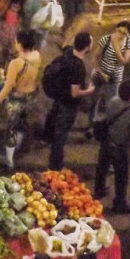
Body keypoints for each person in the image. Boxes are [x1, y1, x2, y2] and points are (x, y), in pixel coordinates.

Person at [0, 29, 41, 167]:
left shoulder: (16, 63)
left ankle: (9, 160)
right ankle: (19, 145)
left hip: (17, 99)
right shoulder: (37, 56)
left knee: (11, 128)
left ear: (19, 44)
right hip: (31, 96)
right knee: (22, 122)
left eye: (16, 41)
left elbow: (8, 86)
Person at [44, 32, 95, 171]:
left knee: (55, 124)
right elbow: (75, 93)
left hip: (59, 97)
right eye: (91, 42)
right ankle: (55, 166)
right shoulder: (78, 67)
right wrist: (89, 91)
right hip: (68, 104)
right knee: (60, 135)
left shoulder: (67, 53)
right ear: (86, 47)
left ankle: (47, 138)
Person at [93, 78, 130, 214]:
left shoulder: (113, 101)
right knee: (121, 177)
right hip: (121, 148)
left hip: (107, 142)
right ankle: (119, 204)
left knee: (102, 167)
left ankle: (99, 190)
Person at [90, 21, 130, 129]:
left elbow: (123, 62)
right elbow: (94, 58)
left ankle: (105, 126)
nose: (120, 34)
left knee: (111, 102)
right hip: (100, 72)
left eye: (124, 33)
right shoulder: (105, 39)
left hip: (115, 76)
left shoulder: (129, 42)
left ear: (128, 35)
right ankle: (92, 123)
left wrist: (115, 45)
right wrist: (101, 72)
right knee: (94, 99)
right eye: (119, 31)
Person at [0, 0, 24, 68]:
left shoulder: (19, 15)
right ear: (10, 5)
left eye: (17, 7)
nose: (15, 9)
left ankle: (8, 58)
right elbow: (0, 18)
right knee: (5, 46)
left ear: (20, 8)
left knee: (10, 47)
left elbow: (19, 24)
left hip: (12, 34)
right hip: (4, 32)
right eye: (14, 6)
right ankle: (5, 57)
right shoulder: (6, 12)